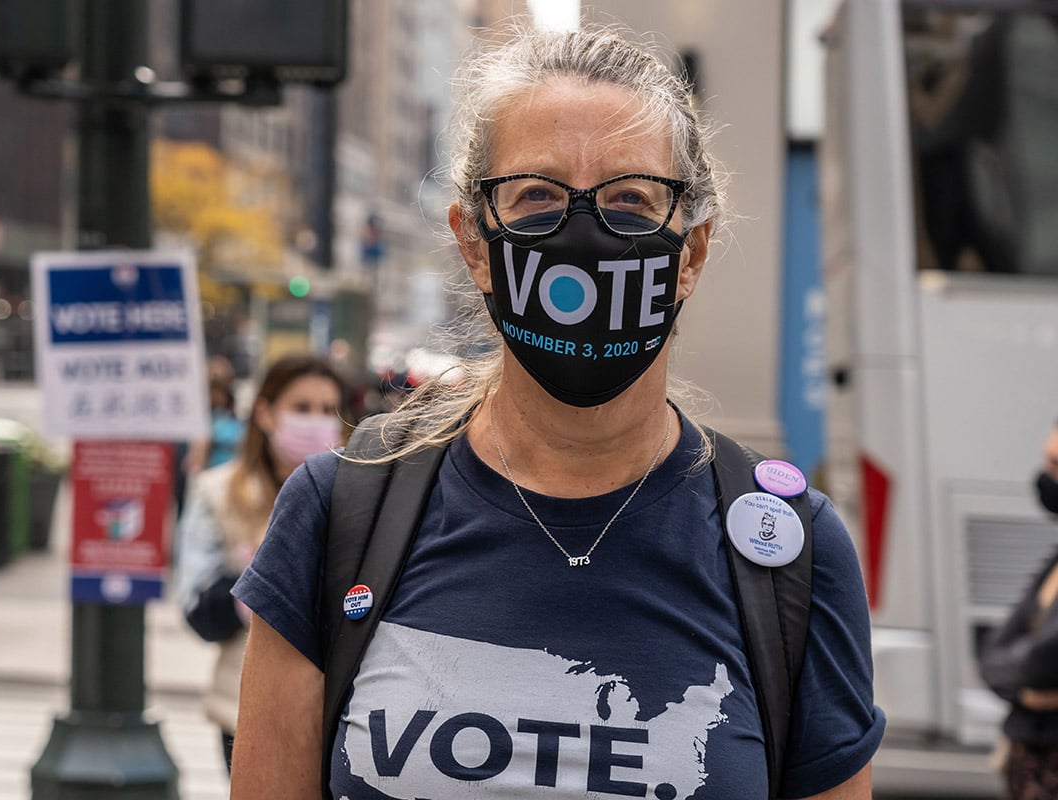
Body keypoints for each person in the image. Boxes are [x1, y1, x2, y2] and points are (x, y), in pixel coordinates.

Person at [230, 23, 884, 799]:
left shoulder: (791, 554)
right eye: (537, 195)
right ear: (474, 244)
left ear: (692, 252)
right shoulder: (340, 512)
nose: (584, 235)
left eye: (630, 200)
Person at [175, 353, 345, 772]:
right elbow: (197, 610)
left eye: (328, 410)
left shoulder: (357, 496)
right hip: (247, 711)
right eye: (301, 407)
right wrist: (258, 585)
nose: (316, 421)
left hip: (339, 716)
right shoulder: (218, 493)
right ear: (265, 414)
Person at [980, 418, 1058, 798]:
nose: (1046, 477)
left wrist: (1025, 678)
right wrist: (1029, 691)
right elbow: (993, 659)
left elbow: (1043, 662)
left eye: (1056, 466)